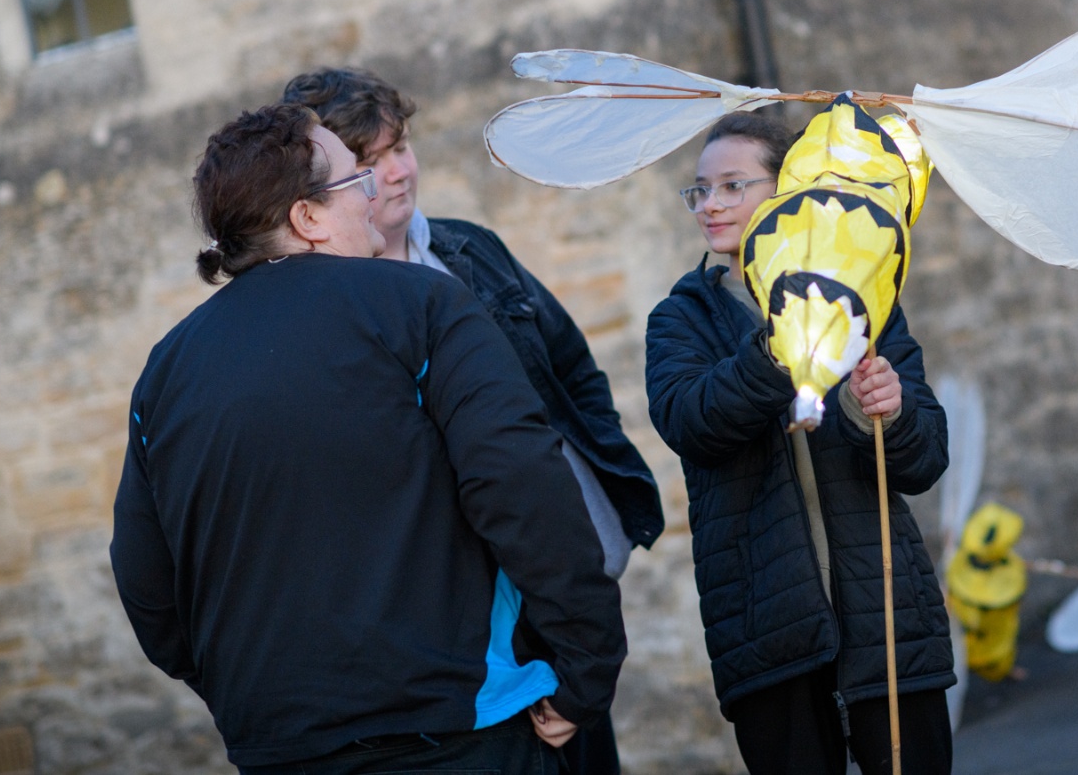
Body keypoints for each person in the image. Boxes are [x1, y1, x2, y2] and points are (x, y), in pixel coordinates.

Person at [110, 104, 625, 774]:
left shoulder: (166, 372)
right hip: (457, 731)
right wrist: (587, 665)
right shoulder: (423, 305)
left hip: (281, 747)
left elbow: (146, 583)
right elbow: (522, 485)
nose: (377, 189)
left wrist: (243, 690)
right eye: (357, 180)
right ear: (308, 217)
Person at [281, 69, 663, 775]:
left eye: (401, 147)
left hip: (553, 591)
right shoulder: (322, 311)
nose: (398, 171)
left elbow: (573, 370)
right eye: (369, 160)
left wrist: (590, 498)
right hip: (459, 637)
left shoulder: (471, 251)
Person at [645, 111, 955, 775]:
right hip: (768, 636)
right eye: (700, 189)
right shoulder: (681, 318)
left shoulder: (869, 297)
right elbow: (691, 421)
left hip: (886, 621)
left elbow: (927, 457)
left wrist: (886, 412)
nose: (710, 204)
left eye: (733, 185)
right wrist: (781, 343)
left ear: (787, 189)